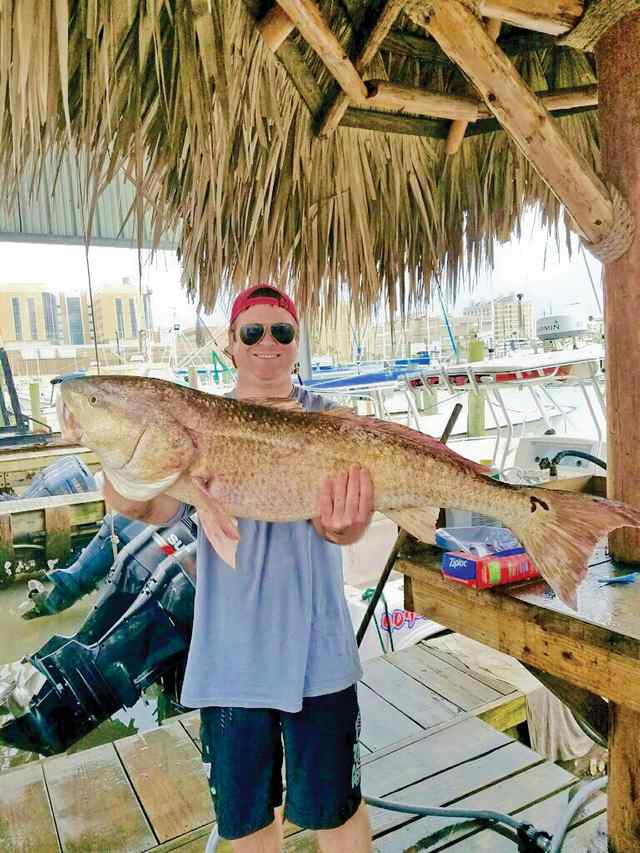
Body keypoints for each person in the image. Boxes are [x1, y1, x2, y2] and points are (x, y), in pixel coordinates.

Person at [103, 284, 375, 853]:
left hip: (318, 654)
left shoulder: (334, 422)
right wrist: (115, 452)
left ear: (297, 343)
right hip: (231, 661)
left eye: (282, 331)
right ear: (231, 344)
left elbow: (343, 527)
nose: (267, 342)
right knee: (249, 823)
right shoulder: (198, 424)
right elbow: (146, 506)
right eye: (252, 332)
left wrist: (345, 526)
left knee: (337, 813)